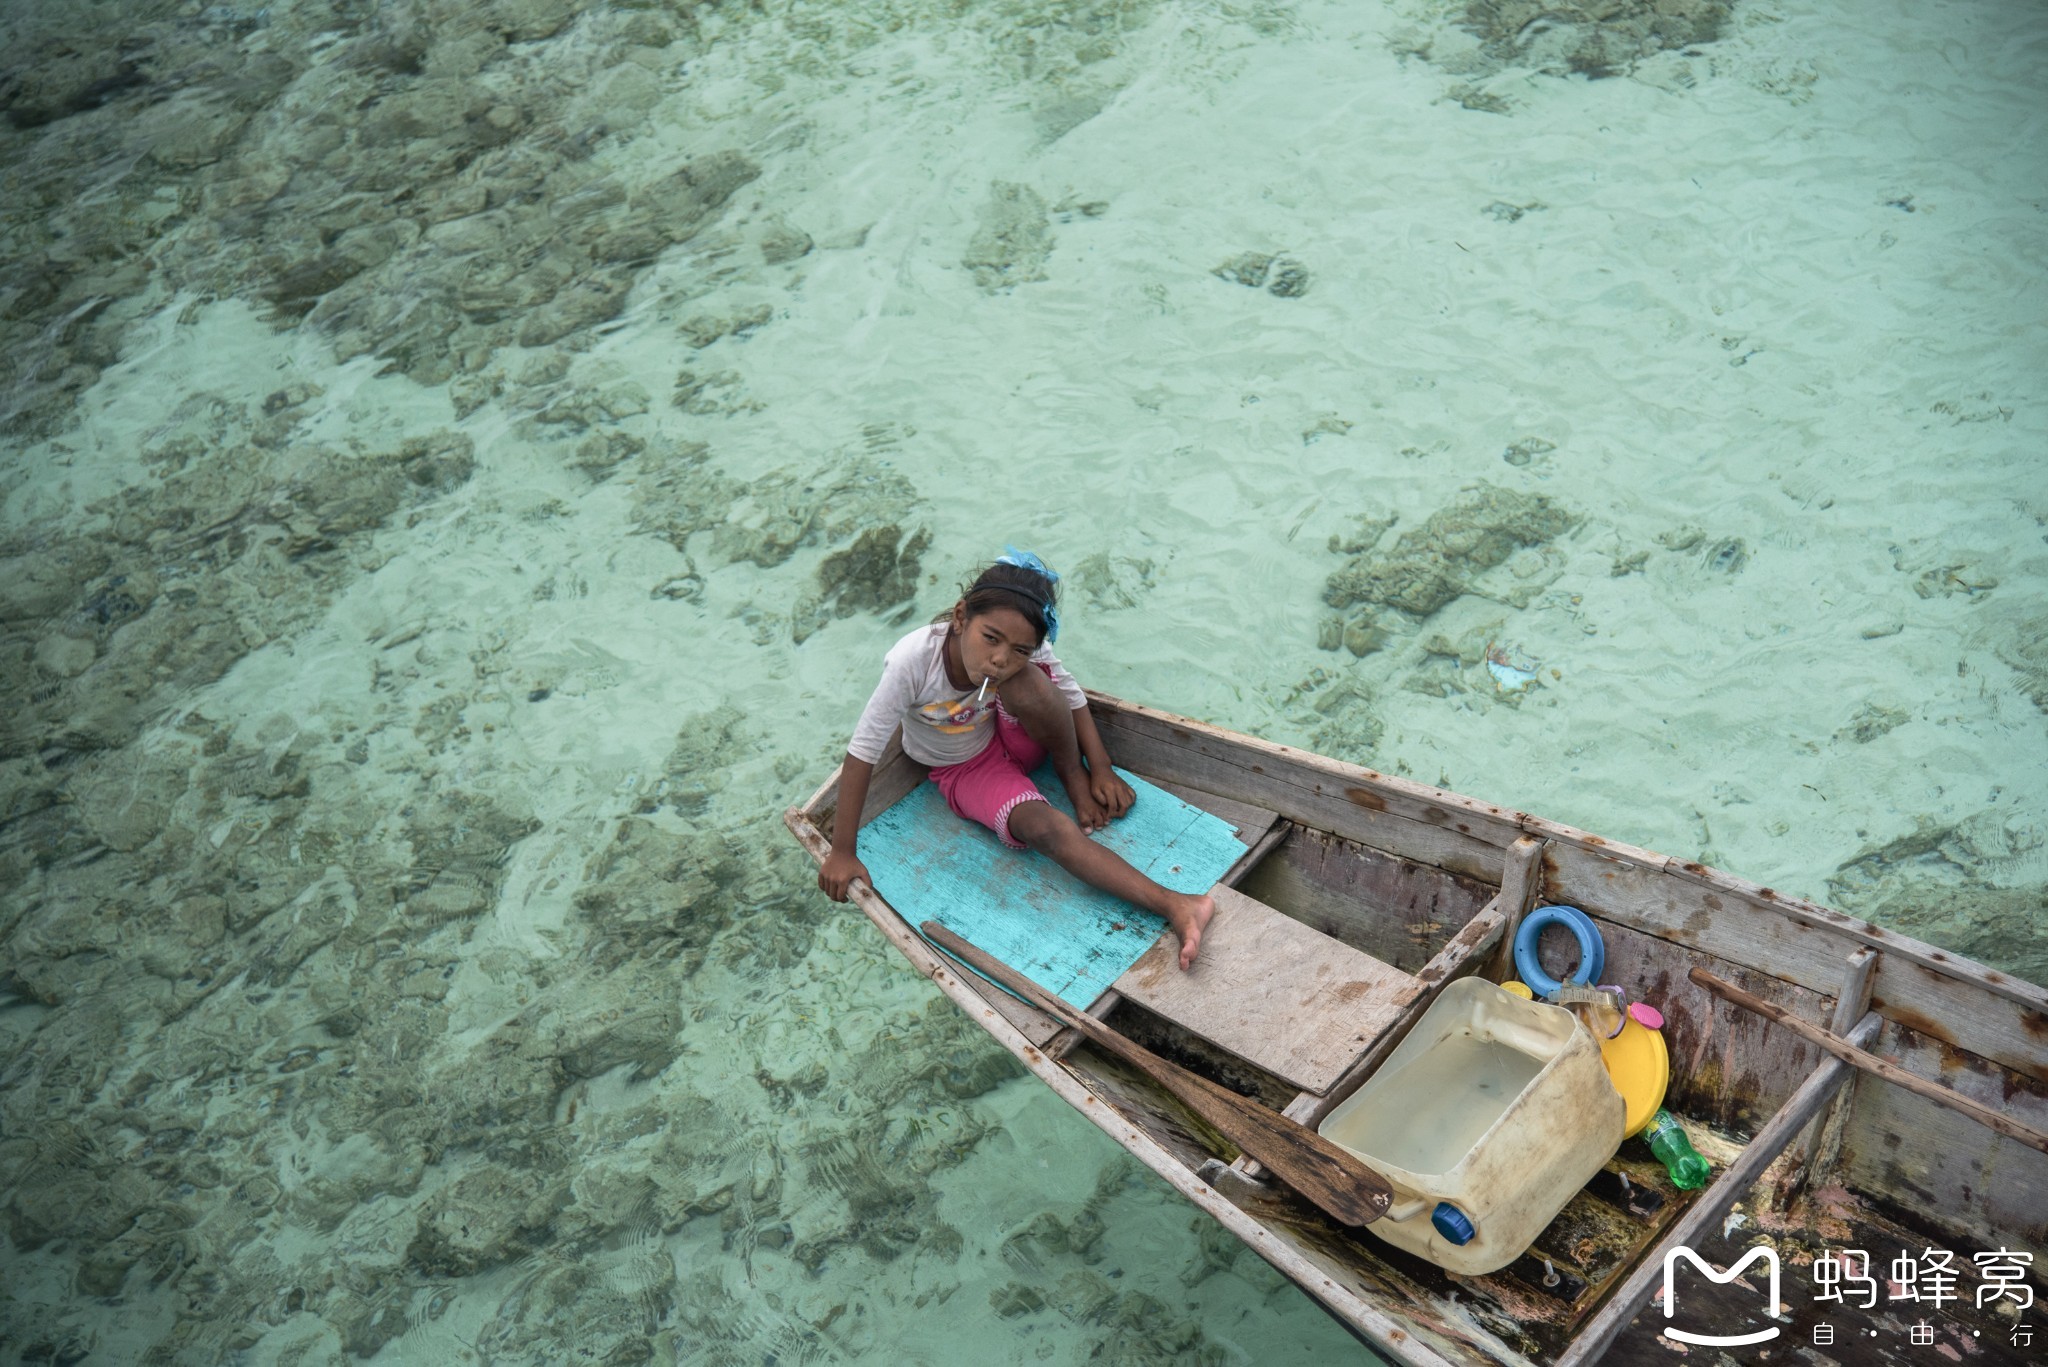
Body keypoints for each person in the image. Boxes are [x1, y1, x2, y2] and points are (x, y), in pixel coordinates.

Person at [818, 550, 1215, 970]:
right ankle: (1176, 904)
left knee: (1032, 685)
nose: (1001, 658)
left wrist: (1096, 768)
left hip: (1010, 733)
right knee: (1047, 829)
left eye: (1020, 649)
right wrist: (843, 850)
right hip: (965, 768)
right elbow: (863, 751)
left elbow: (1071, 696)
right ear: (960, 617)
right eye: (990, 638)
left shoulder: (1023, 652)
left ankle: (1070, 779)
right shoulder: (911, 662)